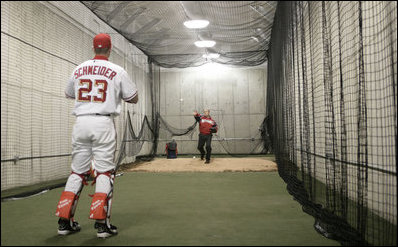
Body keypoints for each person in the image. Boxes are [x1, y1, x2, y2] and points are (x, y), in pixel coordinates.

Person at [55, 33, 138, 238]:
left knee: (77, 172)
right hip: (102, 123)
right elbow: (133, 98)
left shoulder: (79, 68)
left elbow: (68, 93)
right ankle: (102, 225)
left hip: (81, 122)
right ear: (109, 49)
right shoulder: (117, 70)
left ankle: (64, 223)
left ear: (94, 48)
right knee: (104, 172)